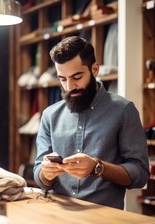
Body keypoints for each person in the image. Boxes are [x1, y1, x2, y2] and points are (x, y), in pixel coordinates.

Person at [34, 36, 149, 209]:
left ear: (95, 69)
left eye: (77, 77)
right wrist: (46, 173)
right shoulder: (50, 115)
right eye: (63, 79)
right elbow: (39, 177)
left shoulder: (124, 111)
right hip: (59, 215)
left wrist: (97, 167)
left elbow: (140, 174)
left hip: (104, 218)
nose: (69, 87)